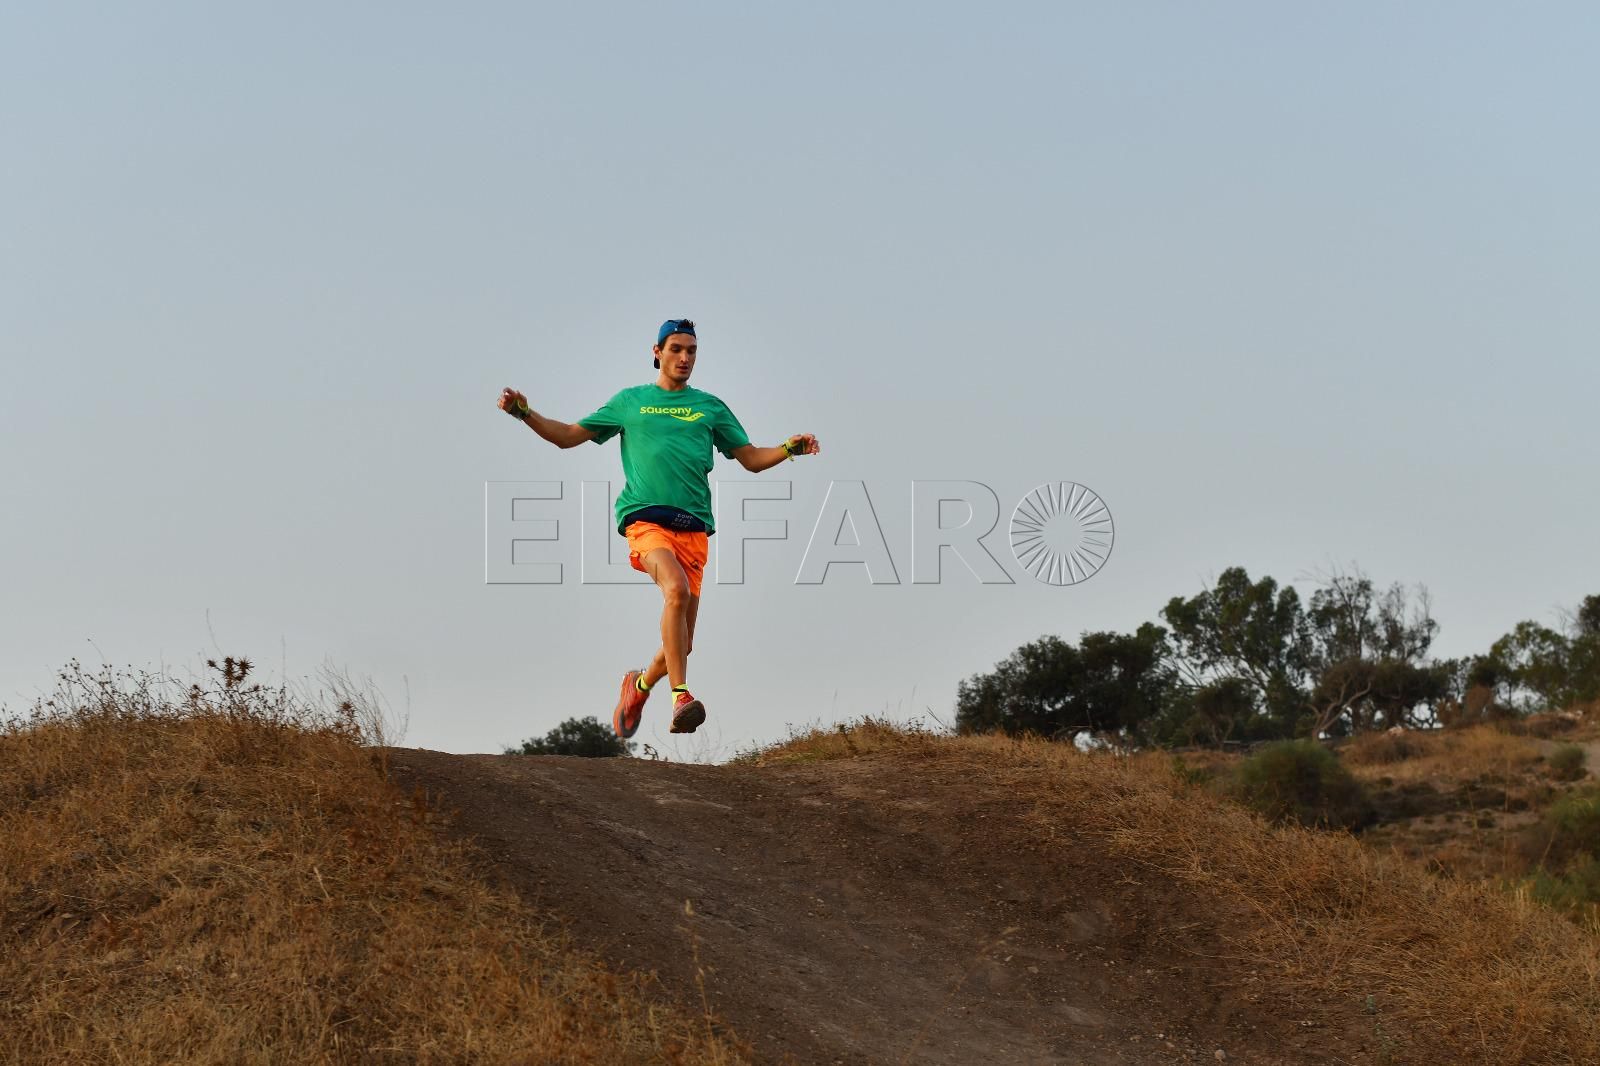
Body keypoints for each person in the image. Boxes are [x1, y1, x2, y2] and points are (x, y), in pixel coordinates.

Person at [497, 318, 819, 737]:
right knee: (676, 590)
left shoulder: (710, 408)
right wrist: (524, 412)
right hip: (646, 520)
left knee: (680, 645)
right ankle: (681, 696)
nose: (685, 357)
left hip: (694, 530)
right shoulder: (631, 402)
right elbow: (567, 435)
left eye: (692, 351)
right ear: (657, 352)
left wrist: (788, 449)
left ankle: (639, 686)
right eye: (676, 349)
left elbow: (752, 458)